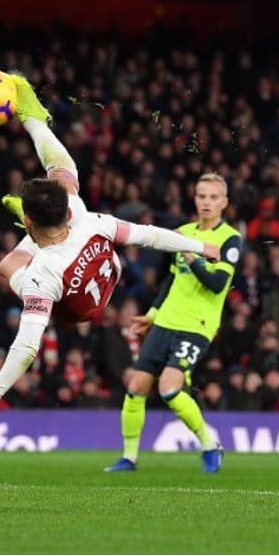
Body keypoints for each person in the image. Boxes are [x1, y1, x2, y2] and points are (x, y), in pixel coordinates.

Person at [0, 76, 220, 445]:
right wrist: (198, 245)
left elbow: (27, 346)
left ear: (29, 223)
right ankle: (34, 120)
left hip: (79, 307)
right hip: (107, 272)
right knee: (64, 174)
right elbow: (149, 234)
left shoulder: (41, 275)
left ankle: (33, 203)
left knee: (7, 266)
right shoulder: (90, 218)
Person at [102, 171, 242, 473]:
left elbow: (218, 283)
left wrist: (191, 252)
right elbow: (171, 280)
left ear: (224, 202)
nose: (207, 202)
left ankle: (210, 443)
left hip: (197, 325)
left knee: (168, 388)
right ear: (195, 199)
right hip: (165, 321)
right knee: (136, 385)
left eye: (213, 197)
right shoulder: (181, 231)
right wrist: (152, 315)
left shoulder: (230, 239)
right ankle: (129, 457)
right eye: (202, 196)